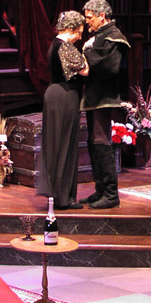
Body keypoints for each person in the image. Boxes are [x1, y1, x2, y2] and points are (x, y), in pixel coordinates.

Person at [79, 0, 130, 209]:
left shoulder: (114, 37)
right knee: (93, 141)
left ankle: (111, 194)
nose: (87, 22)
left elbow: (109, 68)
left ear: (102, 16)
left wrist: (88, 50)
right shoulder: (100, 36)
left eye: (90, 18)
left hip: (104, 97)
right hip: (94, 96)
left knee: (101, 140)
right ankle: (101, 189)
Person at [38, 11, 89, 210]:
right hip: (64, 96)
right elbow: (85, 69)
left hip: (56, 94)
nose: (80, 36)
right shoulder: (65, 46)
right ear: (69, 28)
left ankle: (60, 195)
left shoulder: (54, 44)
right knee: (64, 143)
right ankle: (63, 197)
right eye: (79, 32)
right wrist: (87, 50)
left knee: (58, 143)